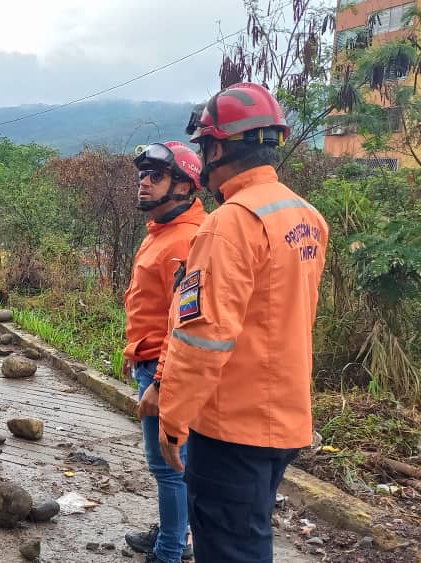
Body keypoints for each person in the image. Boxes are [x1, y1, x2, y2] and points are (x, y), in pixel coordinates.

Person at [154, 82, 329, 562]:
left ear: (217, 147)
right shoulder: (305, 215)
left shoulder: (230, 222)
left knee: (231, 547)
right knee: (249, 534)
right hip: (285, 419)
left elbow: (203, 336)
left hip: (233, 424)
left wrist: (173, 420)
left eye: (204, 147)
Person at [123, 141, 206, 563]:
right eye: (142, 175)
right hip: (149, 357)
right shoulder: (161, 231)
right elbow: (149, 304)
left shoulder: (186, 241)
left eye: (156, 175)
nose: (144, 182)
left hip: (164, 366)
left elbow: (185, 321)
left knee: (169, 465)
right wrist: (133, 352)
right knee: (170, 463)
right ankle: (173, 534)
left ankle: (171, 551)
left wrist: (158, 380)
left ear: (185, 185)